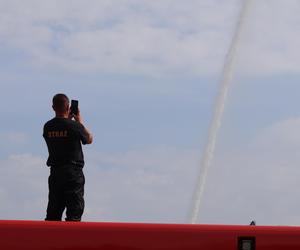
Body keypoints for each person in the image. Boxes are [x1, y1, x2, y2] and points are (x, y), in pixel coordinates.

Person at [43, 93, 93, 221]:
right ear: (68, 108)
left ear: (53, 107)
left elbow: (61, 129)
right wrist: (79, 121)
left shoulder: (48, 127)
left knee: (53, 213)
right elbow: (89, 139)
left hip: (55, 173)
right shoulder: (75, 126)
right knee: (74, 214)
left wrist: (68, 121)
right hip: (73, 174)